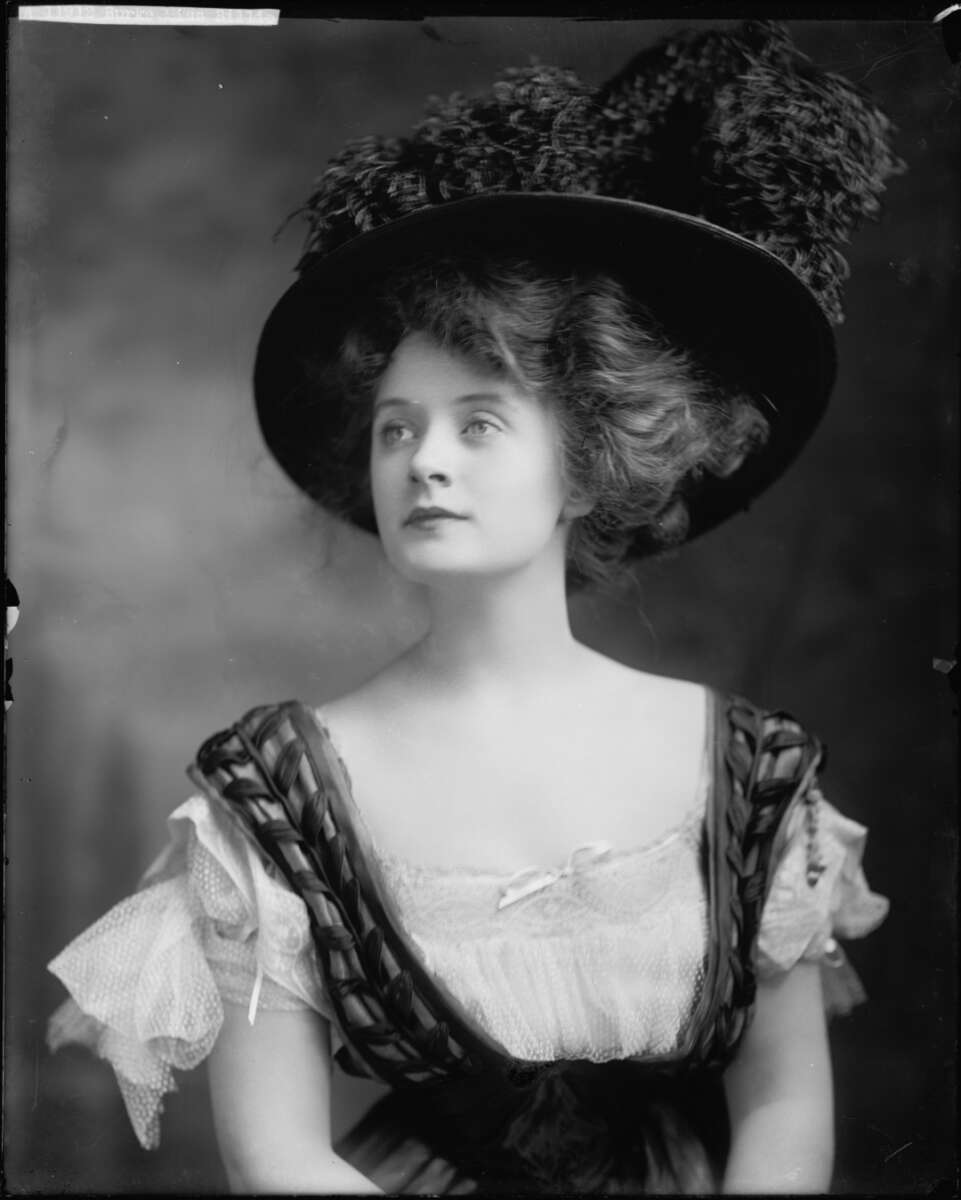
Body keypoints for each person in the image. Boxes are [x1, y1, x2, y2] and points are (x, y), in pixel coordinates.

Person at [46, 20, 899, 1195]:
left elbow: (788, 1109)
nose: (424, 463)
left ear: (591, 459)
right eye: (398, 427)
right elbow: (276, 1158)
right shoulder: (276, 792)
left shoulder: (744, 770)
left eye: (478, 423)